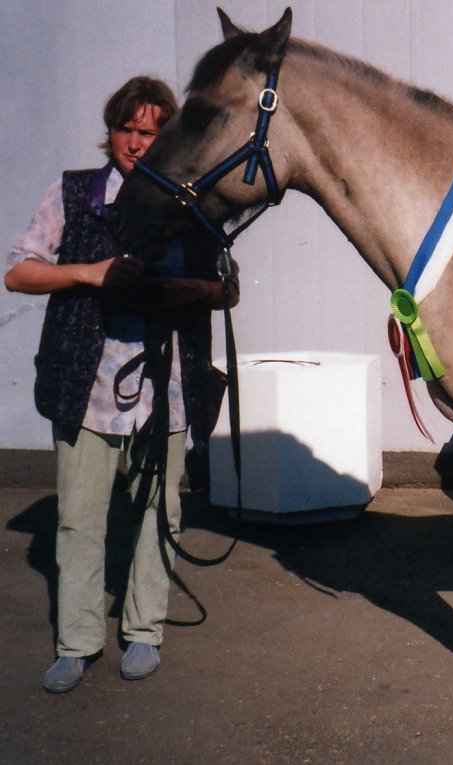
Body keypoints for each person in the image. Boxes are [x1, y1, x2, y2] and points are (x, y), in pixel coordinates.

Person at [4, 75, 237, 693]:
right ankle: (76, 643)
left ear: (168, 138)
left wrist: (184, 290)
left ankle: (143, 632)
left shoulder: (193, 202)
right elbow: (18, 273)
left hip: (169, 386)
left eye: (151, 131)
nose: (137, 141)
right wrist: (90, 274)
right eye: (127, 129)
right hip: (86, 384)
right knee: (80, 520)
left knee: (161, 514)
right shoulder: (74, 191)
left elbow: (228, 287)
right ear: (111, 132)